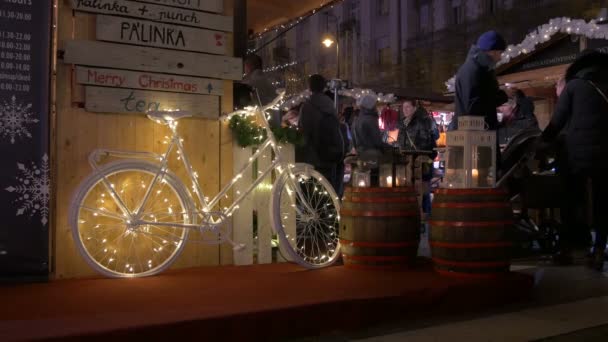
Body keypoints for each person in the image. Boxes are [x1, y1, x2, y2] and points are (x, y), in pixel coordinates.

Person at [538, 50, 608, 271]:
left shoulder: (574, 86)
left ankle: (569, 248)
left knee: (571, 199)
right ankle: (598, 250)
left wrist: (542, 141)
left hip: (576, 154)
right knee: (602, 202)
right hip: (606, 154)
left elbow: (557, 120)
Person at [296, 74, 345, 192]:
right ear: (323, 86)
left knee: (313, 189)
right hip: (330, 152)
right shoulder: (329, 104)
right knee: (329, 187)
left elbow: (303, 129)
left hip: (313, 155)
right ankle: (330, 208)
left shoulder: (307, 106)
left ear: (310, 87)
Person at [397, 100, 439, 217]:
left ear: (414, 108)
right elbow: (401, 142)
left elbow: (428, 141)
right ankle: (414, 214)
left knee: (424, 190)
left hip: (422, 161)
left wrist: (415, 152)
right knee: (413, 190)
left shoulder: (423, 121)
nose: (405, 110)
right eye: (404, 107)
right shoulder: (403, 123)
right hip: (409, 162)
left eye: (408, 107)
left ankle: (426, 216)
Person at [352, 94, 386, 186]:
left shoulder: (357, 120)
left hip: (361, 155)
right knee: (375, 183)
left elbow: (354, 142)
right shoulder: (371, 119)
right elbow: (377, 141)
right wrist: (386, 147)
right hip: (373, 157)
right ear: (371, 106)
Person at [241, 54, 279, 125]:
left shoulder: (249, 83)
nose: (244, 70)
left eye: (245, 66)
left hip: (257, 122)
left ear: (249, 66)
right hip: (272, 122)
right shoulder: (268, 82)